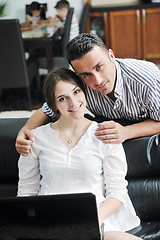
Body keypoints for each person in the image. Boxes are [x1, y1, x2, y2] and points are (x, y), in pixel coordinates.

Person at [17, 67, 141, 240]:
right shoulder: (35, 138)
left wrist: (91, 220)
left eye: (76, 92)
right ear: (54, 106)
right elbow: (26, 192)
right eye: (63, 98)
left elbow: (117, 192)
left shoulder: (104, 133)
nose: (73, 102)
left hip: (97, 221)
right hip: (50, 223)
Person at [15, 33, 160, 156]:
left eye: (99, 67)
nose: (97, 81)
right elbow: (49, 109)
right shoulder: (78, 83)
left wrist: (127, 132)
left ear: (111, 55)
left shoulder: (148, 79)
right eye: (86, 74)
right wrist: (25, 130)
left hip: (148, 136)